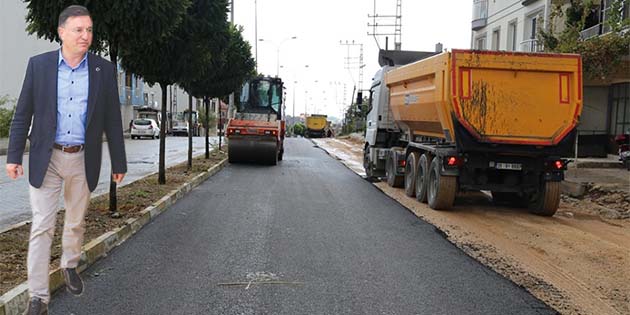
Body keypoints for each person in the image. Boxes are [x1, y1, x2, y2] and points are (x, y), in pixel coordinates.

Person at [5, 5, 127, 314]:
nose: (86, 35)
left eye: (89, 30)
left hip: (82, 158)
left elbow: (113, 119)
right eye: (78, 30)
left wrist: (120, 162)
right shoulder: (39, 66)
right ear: (62, 32)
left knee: (74, 221)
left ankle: (70, 263)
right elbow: (22, 114)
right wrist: (14, 155)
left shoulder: (103, 69)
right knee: (41, 226)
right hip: (46, 158)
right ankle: (38, 298)